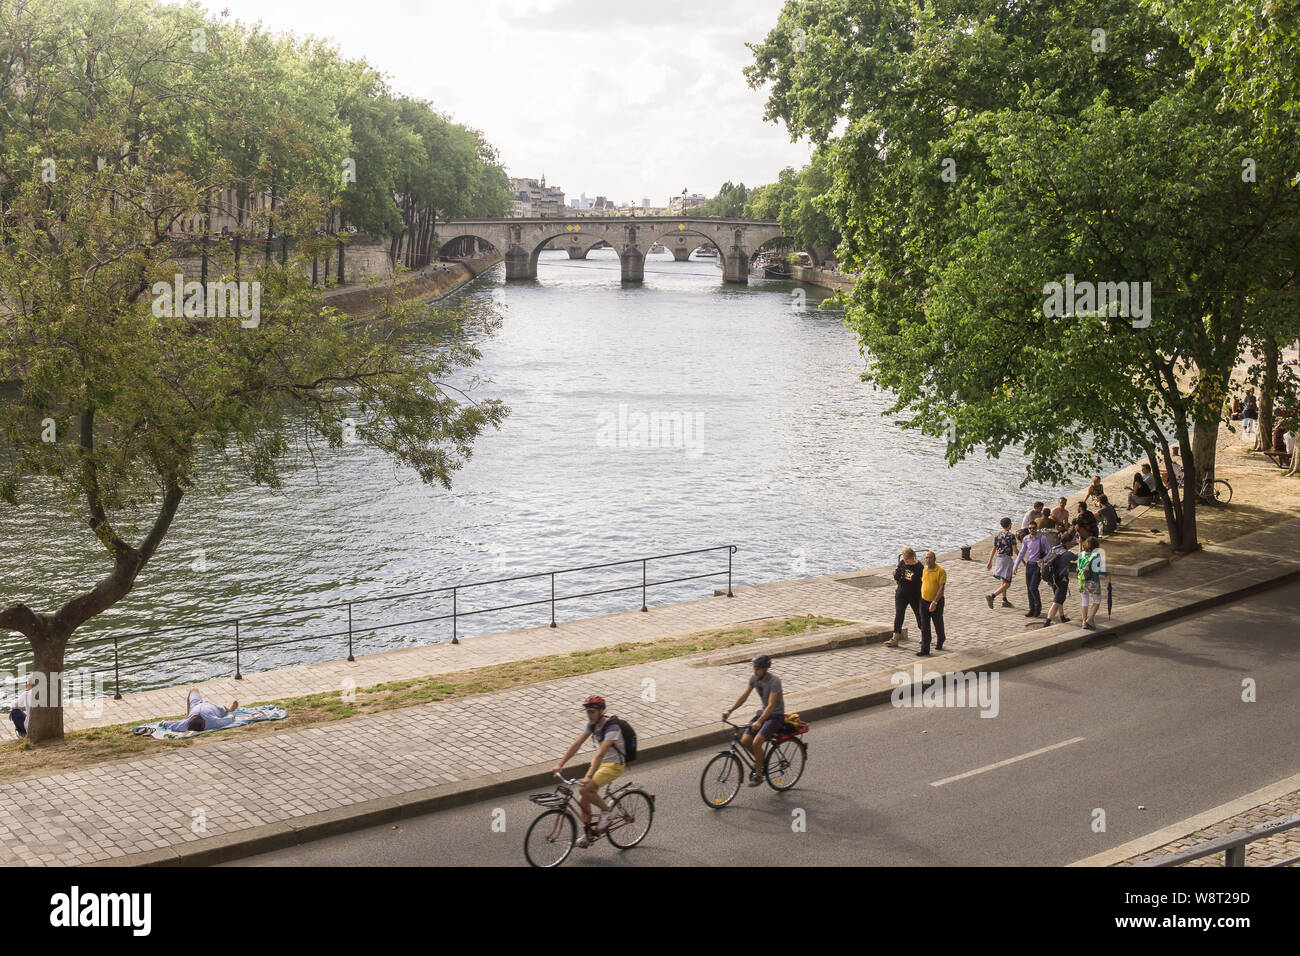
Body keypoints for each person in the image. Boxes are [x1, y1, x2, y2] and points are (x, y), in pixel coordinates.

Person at [554, 695, 626, 843]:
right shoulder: (592, 725)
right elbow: (577, 744)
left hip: (614, 765)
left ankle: (608, 812)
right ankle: (588, 835)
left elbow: (601, 753)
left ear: (601, 711)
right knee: (582, 799)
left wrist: (589, 776)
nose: (589, 715)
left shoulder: (613, 727)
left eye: (592, 712)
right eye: (587, 712)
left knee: (584, 789)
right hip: (600, 763)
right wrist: (560, 764)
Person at [723, 655, 786, 787]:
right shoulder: (754, 679)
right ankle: (761, 762)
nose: (755, 671)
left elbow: (771, 705)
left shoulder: (774, 681)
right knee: (745, 741)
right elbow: (744, 696)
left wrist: (760, 721)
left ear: (765, 669)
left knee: (757, 742)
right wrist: (730, 711)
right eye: (754, 668)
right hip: (763, 713)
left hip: (775, 716)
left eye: (757, 669)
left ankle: (759, 775)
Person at [885, 548, 923, 647]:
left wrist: (904, 575)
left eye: (907, 559)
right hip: (901, 593)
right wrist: (895, 574)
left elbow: (915, 579)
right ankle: (895, 638)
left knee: (919, 614)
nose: (905, 560)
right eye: (904, 558)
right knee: (899, 614)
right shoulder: (902, 563)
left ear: (912, 557)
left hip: (914, 594)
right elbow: (898, 576)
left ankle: (924, 634)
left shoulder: (919, 567)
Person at [1012, 523, 1050, 618]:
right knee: (1029, 588)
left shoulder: (1042, 538)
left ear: (1037, 528)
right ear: (1028, 529)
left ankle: (1038, 607)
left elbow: (1051, 551)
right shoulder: (1026, 539)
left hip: (1038, 565)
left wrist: (1043, 559)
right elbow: (1021, 553)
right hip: (1029, 565)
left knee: (1033, 587)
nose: (1032, 530)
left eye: (1033, 528)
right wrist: (1015, 566)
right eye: (1030, 528)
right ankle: (1031, 608)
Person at [160, 689, 239, 733]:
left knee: (193, 690)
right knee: (223, 709)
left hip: (201, 706)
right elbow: (229, 719)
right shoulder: (213, 721)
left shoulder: (185, 724)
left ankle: (230, 709)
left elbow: (169, 724)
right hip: (205, 708)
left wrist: (163, 722)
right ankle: (230, 709)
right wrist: (232, 716)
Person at [1042, 532, 1077, 627]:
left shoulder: (1054, 549)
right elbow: (1078, 556)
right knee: (1057, 601)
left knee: (1059, 598)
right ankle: (1047, 622)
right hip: (1062, 581)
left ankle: (1062, 617)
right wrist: (1080, 544)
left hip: (1053, 579)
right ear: (1068, 543)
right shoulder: (1067, 554)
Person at [917, 551, 947, 656]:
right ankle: (925, 649)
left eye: (930, 558)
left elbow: (941, 588)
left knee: (937, 623)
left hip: (936, 602)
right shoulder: (924, 570)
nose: (927, 560)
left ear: (934, 559)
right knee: (924, 625)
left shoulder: (940, 571)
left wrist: (934, 602)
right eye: (926, 558)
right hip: (924, 601)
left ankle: (941, 638)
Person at [985, 518, 1017, 609]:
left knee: (1003, 580)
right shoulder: (1011, 536)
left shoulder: (998, 535)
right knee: (1007, 583)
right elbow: (1015, 550)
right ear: (1009, 525)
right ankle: (992, 596)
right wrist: (1021, 559)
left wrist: (990, 561)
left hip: (999, 558)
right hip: (1007, 559)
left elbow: (994, 549)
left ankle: (1004, 600)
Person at [1077, 537, 1108, 631]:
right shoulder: (1097, 556)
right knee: (1097, 600)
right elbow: (1100, 571)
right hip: (1093, 581)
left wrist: (1079, 544)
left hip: (1082, 581)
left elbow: (1079, 559)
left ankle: (1083, 622)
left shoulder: (1081, 555)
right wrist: (1106, 573)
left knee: (1084, 601)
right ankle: (1090, 619)